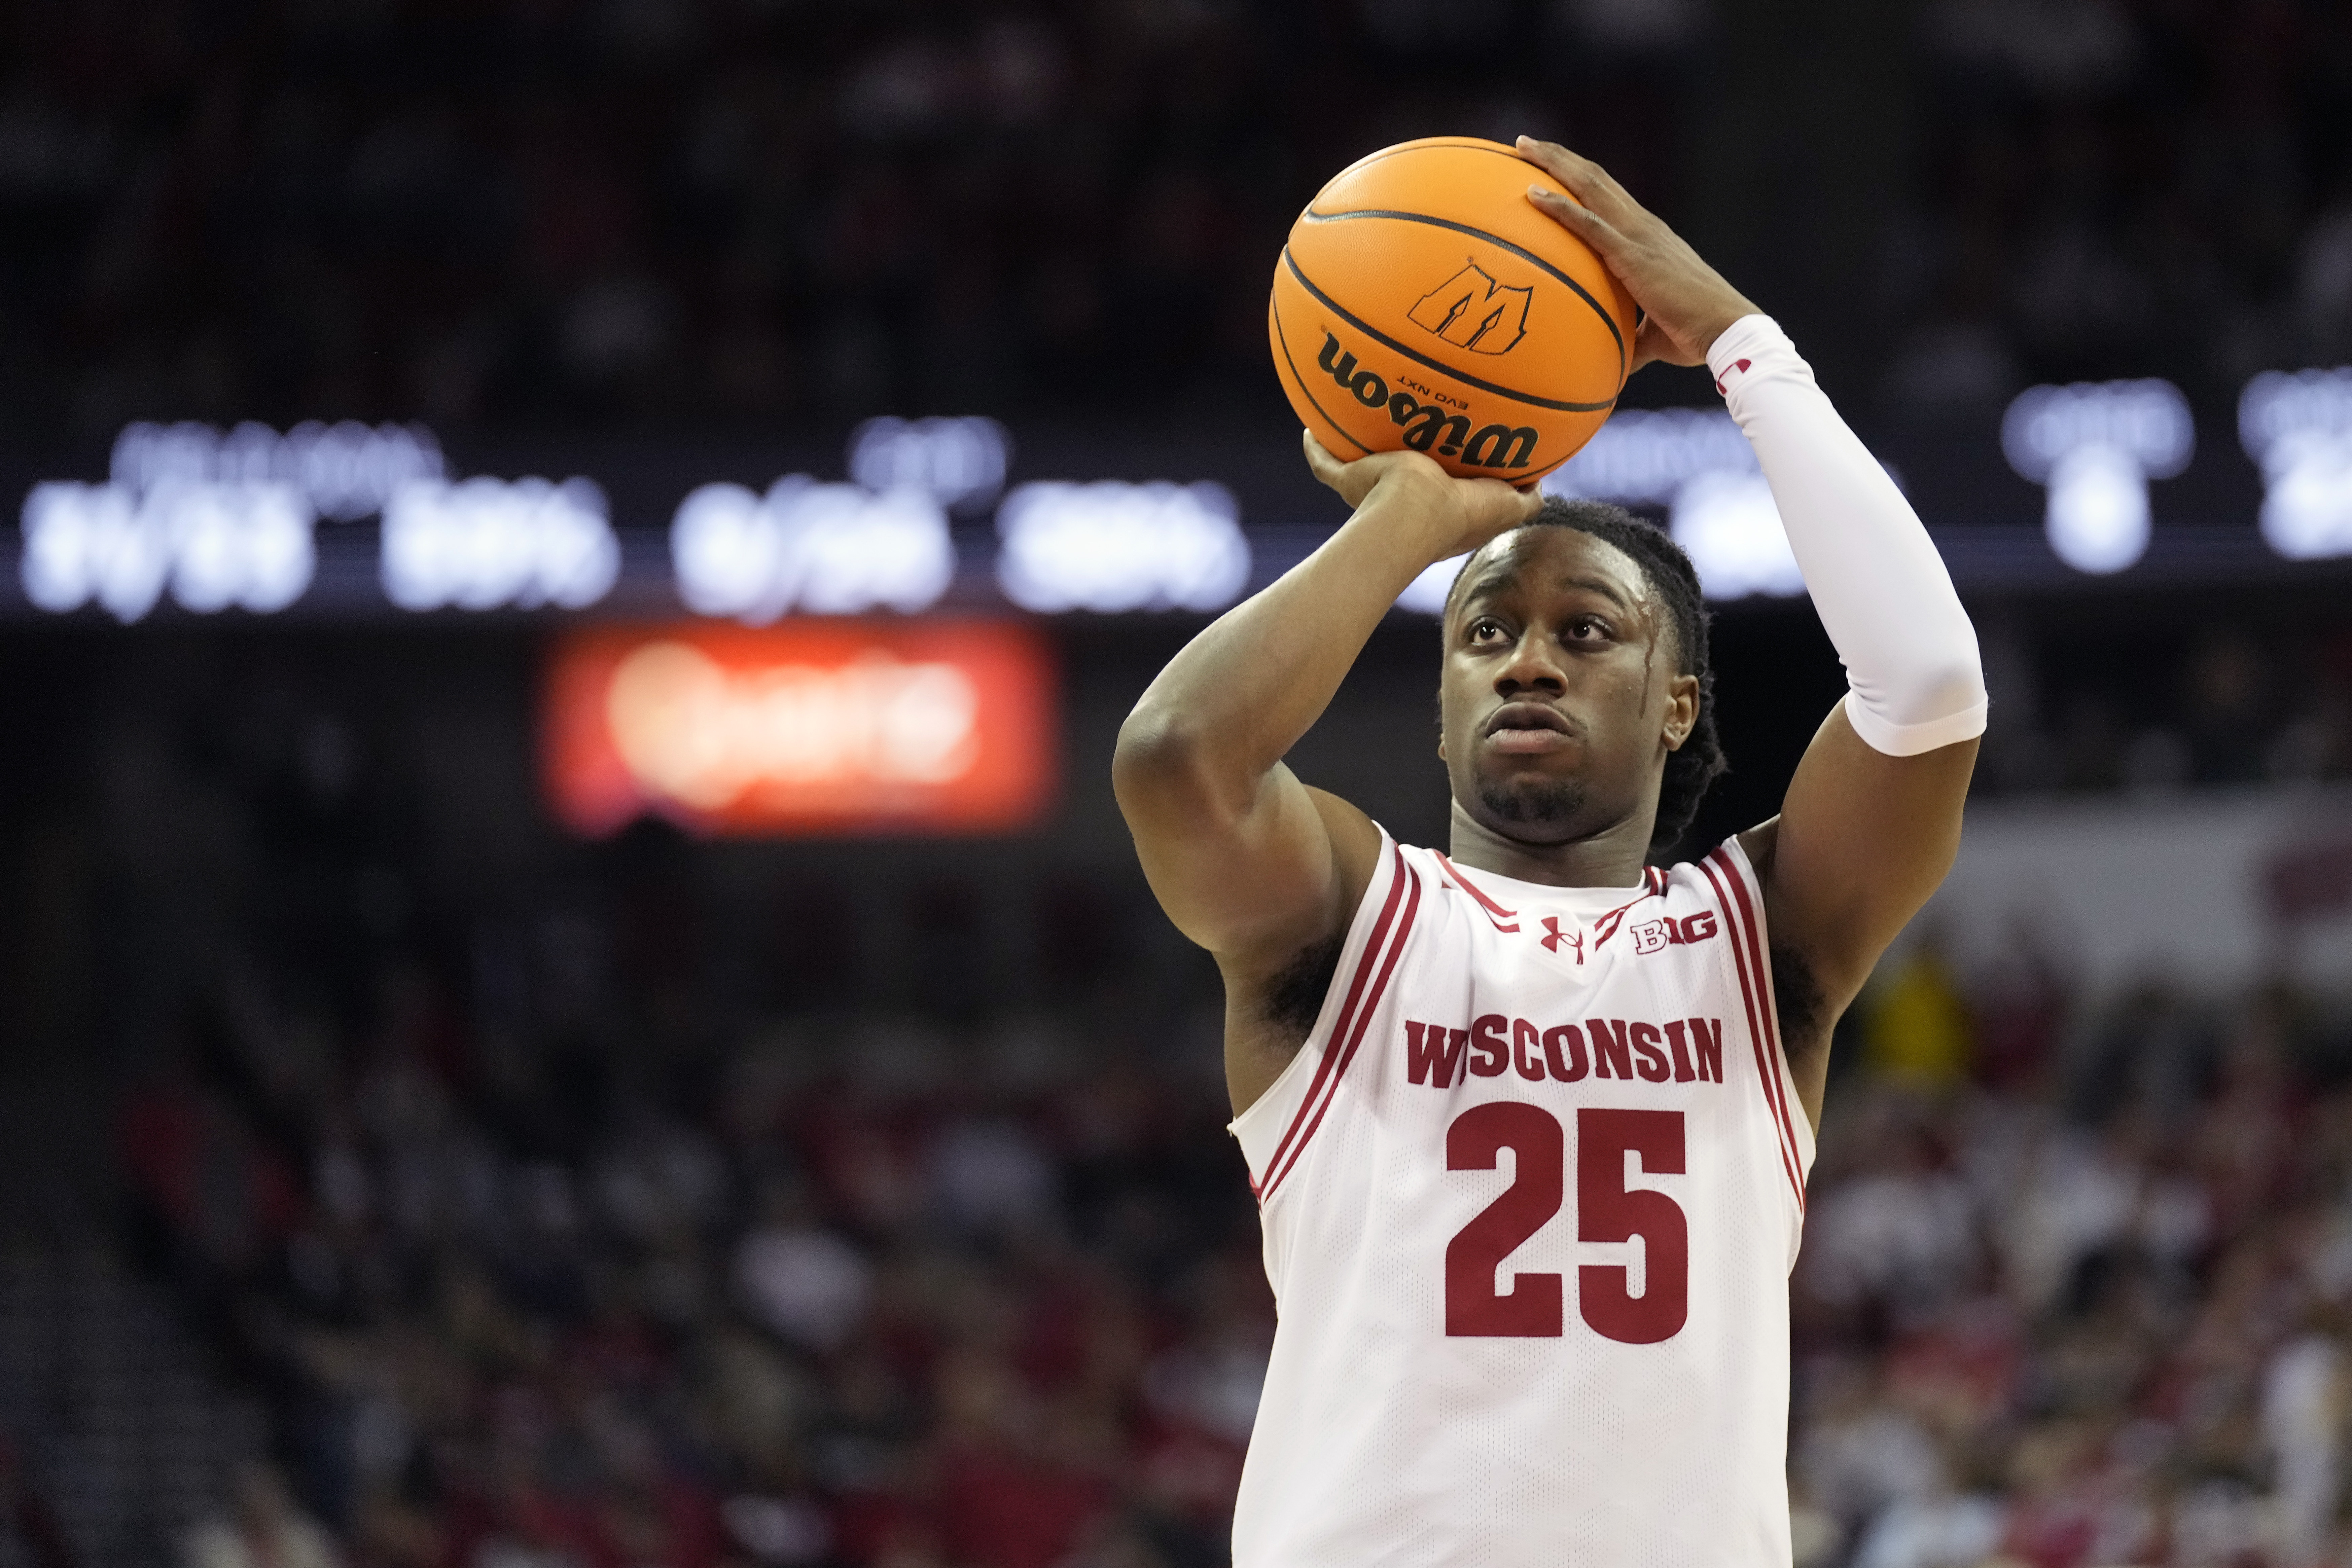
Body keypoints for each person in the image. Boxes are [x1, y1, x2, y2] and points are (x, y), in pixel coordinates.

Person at [1111, 137, 1986, 1566]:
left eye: (1584, 631)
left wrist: (1742, 350)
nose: (1526, 661)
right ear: (1445, 704)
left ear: (1676, 705)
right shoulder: (1344, 916)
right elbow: (1170, 758)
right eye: (1483, 635)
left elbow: (1929, 686)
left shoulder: (1759, 939)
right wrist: (1404, 525)